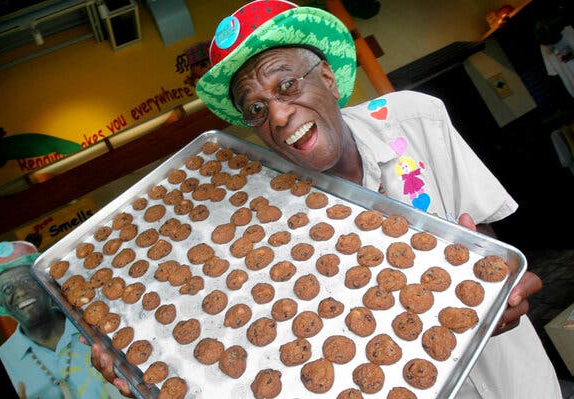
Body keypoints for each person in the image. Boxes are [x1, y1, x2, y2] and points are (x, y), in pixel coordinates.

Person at [91, 1, 563, 398]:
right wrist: (143, 352)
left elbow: (487, 239)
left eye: (287, 85)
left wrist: (506, 284)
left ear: (330, 80)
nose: (277, 115)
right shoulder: (265, 212)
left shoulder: (414, 120)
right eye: (255, 108)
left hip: (514, 381)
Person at [0, 240, 126, 399]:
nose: (20, 292)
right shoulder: (5, 360)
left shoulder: (99, 325)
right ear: (0, 302)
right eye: (7, 289)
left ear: (46, 284)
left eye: (27, 281)